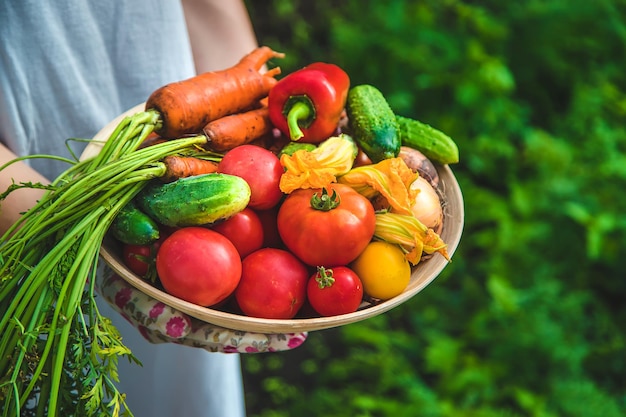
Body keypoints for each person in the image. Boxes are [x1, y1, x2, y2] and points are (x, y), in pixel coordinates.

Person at [0, 1, 305, 416]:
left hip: (185, 113)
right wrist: (68, 233)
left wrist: (245, 92)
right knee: (47, 355)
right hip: (23, 186)